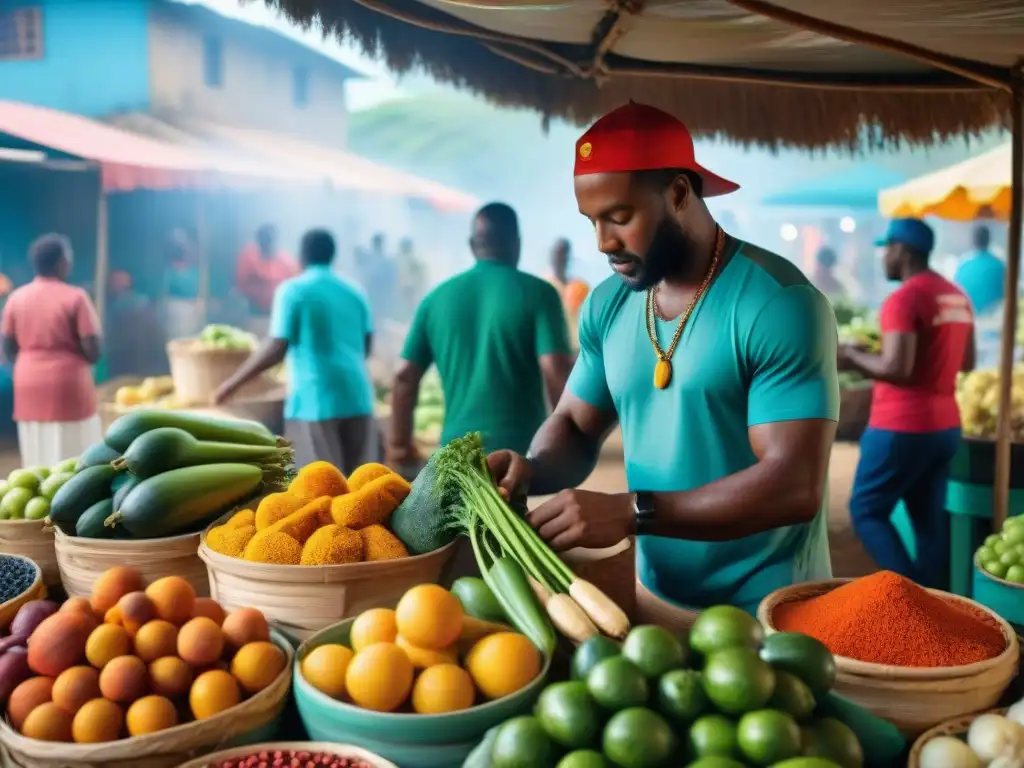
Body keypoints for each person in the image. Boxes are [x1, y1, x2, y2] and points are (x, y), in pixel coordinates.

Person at [485, 102, 840, 619]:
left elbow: (793, 483)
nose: (605, 242)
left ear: (677, 193)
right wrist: (532, 470)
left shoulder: (779, 304)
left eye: (620, 217)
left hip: (772, 611)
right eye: (593, 222)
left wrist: (634, 510)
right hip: (653, 597)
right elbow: (575, 426)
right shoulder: (608, 304)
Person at [841, 218, 974, 589]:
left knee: (866, 511)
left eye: (887, 248)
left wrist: (851, 356)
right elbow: (967, 361)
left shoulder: (904, 298)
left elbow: (897, 367)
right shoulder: (956, 296)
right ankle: (936, 607)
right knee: (928, 522)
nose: (884, 256)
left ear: (902, 250)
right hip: (945, 427)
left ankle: (909, 597)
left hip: (901, 427)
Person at [389, 203, 573, 465]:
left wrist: (399, 447)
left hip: (456, 454)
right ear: (516, 243)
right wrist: (565, 446)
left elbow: (404, 377)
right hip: (521, 456)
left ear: (472, 245)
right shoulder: (539, 294)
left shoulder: (436, 299)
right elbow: (556, 369)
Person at [215, 229, 376, 472]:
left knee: (321, 490)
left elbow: (277, 346)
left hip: (315, 400)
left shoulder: (293, 290)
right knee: (361, 491)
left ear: (301, 256)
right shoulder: (355, 291)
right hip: (359, 397)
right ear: (333, 255)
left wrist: (232, 384)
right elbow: (367, 346)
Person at [1, 234, 103, 467]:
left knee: (37, 453)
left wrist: (33, 359)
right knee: (75, 456)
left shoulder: (16, 298)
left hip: (28, 383)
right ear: (62, 262)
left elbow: (8, 347)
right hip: (68, 386)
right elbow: (93, 350)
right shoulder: (75, 297)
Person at [235, 224, 298, 337]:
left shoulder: (286, 260)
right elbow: (241, 283)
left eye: (270, 239)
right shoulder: (249, 257)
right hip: (255, 315)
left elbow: (293, 285)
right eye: (264, 239)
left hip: (280, 316)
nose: (268, 243)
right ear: (259, 241)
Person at [547, 238, 590, 351]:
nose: (559, 260)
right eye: (556, 255)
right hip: (553, 349)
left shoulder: (581, 288)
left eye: (563, 256)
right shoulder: (544, 287)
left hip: (577, 349)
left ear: (568, 258)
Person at [954, 224, 1005, 315]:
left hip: (969, 318)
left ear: (973, 241)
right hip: (994, 320)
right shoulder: (999, 265)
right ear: (989, 240)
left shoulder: (963, 266)